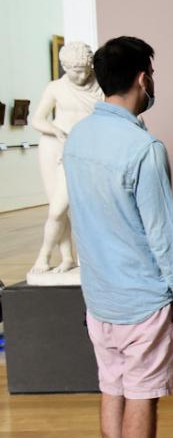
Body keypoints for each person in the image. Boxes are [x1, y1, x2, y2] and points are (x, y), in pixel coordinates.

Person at [63, 36, 173, 438]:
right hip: (142, 300)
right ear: (143, 78)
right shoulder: (144, 149)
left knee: (113, 391)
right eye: (152, 75)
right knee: (142, 396)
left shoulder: (78, 138)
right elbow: (164, 237)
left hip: (99, 297)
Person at [27, 41, 103, 281]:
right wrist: (55, 130)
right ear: (65, 67)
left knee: (75, 206)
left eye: (85, 70)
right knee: (56, 207)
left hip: (82, 149)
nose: (81, 76)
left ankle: (66, 256)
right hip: (54, 145)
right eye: (76, 71)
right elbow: (37, 119)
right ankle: (66, 256)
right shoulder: (55, 88)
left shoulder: (100, 87)